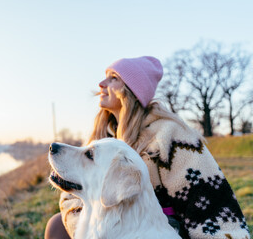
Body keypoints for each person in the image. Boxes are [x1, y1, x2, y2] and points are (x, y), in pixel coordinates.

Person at [45, 57, 250, 239]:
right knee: (56, 225)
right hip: (105, 227)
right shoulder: (102, 136)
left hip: (155, 230)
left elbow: (211, 202)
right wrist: (87, 229)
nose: (101, 84)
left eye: (113, 78)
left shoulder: (172, 136)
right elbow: (71, 193)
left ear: (132, 90)